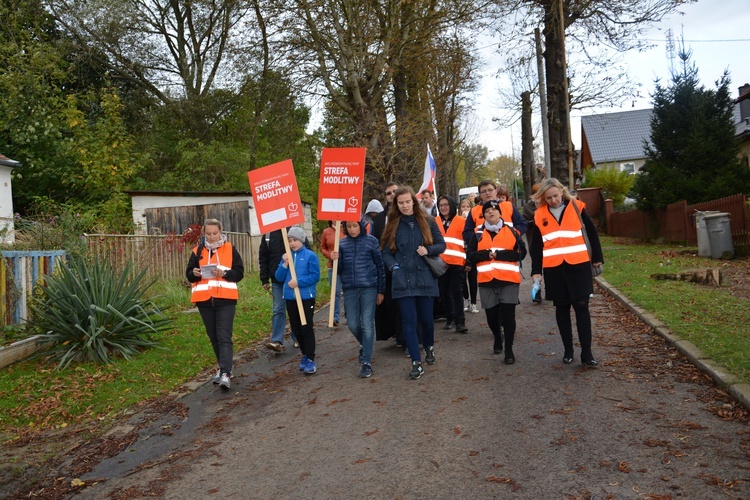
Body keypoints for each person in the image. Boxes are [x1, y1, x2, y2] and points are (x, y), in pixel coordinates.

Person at [530, 178, 604, 367]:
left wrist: (597, 256)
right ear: (543, 198)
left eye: (556, 195)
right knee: (562, 309)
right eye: (549, 198)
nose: (554, 200)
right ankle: (568, 350)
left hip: (578, 265)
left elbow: (592, 232)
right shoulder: (539, 215)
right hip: (555, 268)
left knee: (581, 306)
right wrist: (536, 271)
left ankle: (587, 353)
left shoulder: (577, 207)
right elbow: (536, 246)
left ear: (562, 192)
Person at [381, 186, 446, 380]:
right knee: (408, 321)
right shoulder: (392, 224)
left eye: (407, 202)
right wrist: (394, 267)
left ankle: (429, 347)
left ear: (413, 202)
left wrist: (429, 250)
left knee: (426, 320)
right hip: (403, 280)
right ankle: (416, 363)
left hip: (425, 277)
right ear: (396, 205)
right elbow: (385, 251)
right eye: (400, 203)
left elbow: (442, 244)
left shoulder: (428, 221)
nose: (404, 206)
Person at [186, 219, 245, 390]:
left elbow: (239, 273)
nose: (212, 237)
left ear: (221, 232)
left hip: (225, 299)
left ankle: (226, 373)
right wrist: (195, 273)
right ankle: (223, 368)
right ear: (204, 234)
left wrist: (225, 273)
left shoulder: (230, 248)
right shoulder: (197, 251)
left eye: (215, 233)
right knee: (213, 337)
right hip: (204, 300)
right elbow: (189, 274)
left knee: (224, 336)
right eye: (208, 234)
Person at [467, 201, 525, 364]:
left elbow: (522, 253)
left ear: (500, 214)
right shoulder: (477, 233)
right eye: (487, 211)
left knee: (508, 317)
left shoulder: (512, 232)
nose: (491, 212)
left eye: (494, 210)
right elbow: (470, 255)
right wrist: (486, 254)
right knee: (492, 318)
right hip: (487, 281)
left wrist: (499, 255)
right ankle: (497, 337)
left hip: (509, 281)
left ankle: (509, 349)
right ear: (483, 215)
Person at [330, 217, 386, 378]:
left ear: (361, 226)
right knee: (353, 324)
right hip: (350, 289)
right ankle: (365, 344)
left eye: (355, 226)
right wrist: (335, 260)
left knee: (367, 323)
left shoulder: (371, 241)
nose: (352, 229)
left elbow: (380, 266)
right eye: (349, 226)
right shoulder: (341, 244)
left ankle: (366, 362)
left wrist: (381, 290)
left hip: (369, 287)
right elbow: (339, 270)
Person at [275, 227, 321, 374]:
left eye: (295, 240)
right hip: (290, 297)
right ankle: (305, 354)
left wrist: (298, 282)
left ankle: (311, 359)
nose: (292, 243)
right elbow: (278, 277)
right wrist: (284, 265)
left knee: (306, 328)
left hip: (306, 297)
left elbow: (315, 276)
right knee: (296, 329)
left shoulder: (310, 256)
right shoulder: (286, 257)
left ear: (301, 240)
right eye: (289, 241)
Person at [371, 182, 405, 348]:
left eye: (394, 191)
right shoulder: (378, 219)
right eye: (388, 193)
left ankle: (405, 337)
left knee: (404, 303)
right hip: (385, 267)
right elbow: (373, 242)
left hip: (404, 264)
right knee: (390, 302)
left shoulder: (407, 214)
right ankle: (395, 333)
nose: (391, 194)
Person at [259, 229, 300, 352]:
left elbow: (306, 252)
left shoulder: (295, 231)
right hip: (277, 279)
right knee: (278, 309)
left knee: (295, 308)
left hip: (294, 278)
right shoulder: (268, 235)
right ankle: (277, 340)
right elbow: (263, 258)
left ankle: (298, 337)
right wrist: (264, 278)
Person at [436, 195, 467, 333]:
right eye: (441, 205)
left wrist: (468, 261)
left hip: (457, 262)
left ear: (452, 205)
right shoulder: (435, 221)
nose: (443, 207)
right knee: (444, 293)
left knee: (457, 292)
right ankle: (450, 318)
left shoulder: (461, 221)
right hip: (440, 263)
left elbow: (468, 242)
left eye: (446, 204)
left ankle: (460, 321)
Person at [463, 179, 527, 245]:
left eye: (490, 190)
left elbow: (522, 225)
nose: (487, 193)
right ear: (480, 195)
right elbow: (467, 233)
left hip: (508, 249)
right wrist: (480, 238)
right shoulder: (474, 211)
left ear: (496, 191)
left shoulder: (508, 206)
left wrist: (511, 234)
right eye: (484, 191)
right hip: (484, 251)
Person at [320, 220, 344, 326]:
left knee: (349, 291)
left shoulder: (347, 229)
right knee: (335, 292)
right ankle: (335, 317)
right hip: (332, 266)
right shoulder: (326, 232)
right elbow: (322, 247)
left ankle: (351, 315)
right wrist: (330, 255)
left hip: (346, 266)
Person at [459, 198, 479, 314]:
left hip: (471, 252)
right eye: (463, 207)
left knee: (472, 278)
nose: (465, 209)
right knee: (462, 279)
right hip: (461, 253)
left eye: (467, 207)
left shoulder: (473, 222)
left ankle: (474, 303)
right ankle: (466, 299)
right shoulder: (457, 221)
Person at [522, 184, 542, 302]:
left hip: (549, 241)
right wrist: (532, 222)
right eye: (536, 193)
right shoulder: (528, 207)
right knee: (536, 267)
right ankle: (537, 291)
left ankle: (550, 289)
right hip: (533, 240)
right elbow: (524, 222)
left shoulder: (547, 205)